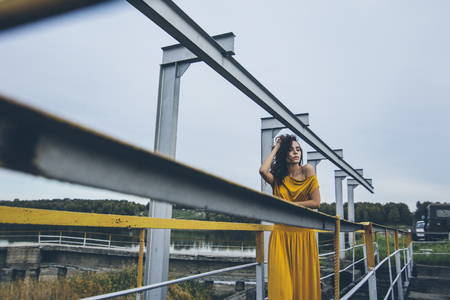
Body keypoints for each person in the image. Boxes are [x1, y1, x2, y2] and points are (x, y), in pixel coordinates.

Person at [259, 134, 321, 299]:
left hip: (303, 235)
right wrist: (277, 147)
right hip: (280, 235)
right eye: (291, 150)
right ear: (283, 154)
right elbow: (262, 170)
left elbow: (316, 202)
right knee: (281, 287)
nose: (296, 152)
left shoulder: (307, 170)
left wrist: (290, 206)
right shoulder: (278, 179)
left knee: (303, 287)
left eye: (298, 149)